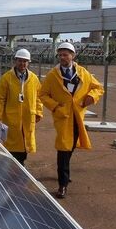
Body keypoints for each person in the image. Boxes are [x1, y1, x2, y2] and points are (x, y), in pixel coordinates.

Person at [39, 42, 104, 199]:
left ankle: (64, 172)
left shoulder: (82, 73)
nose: (62, 57)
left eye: (65, 54)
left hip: (78, 118)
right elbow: (42, 94)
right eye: (60, 54)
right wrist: (55, 107)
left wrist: (90, 98)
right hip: (63, 118)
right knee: (63, 149)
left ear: (73, 56)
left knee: (71, 146)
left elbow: (98, 88)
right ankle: (62, 184)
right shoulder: (52, 75)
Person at [0, 48, 43, 167]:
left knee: (24, 147)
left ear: (28, 63)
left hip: (27, 118)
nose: (22, 64)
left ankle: (19, 168)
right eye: (20, 61)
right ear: (15, 61)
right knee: (12, 147)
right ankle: (14, 170)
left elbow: (38, 97)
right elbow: (0, 98)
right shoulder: (7, 78)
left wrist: (38, 112)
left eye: (25, 61)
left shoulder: (34, 79)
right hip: (12, 119)